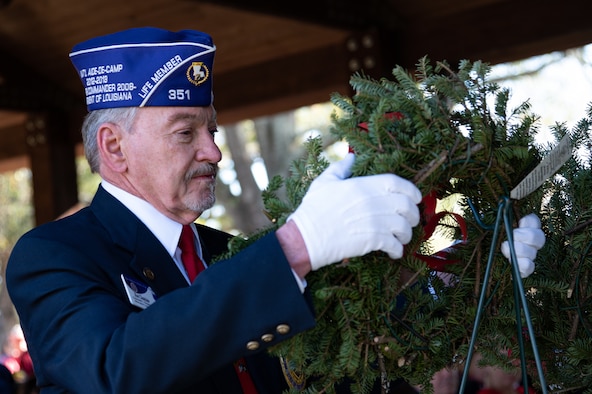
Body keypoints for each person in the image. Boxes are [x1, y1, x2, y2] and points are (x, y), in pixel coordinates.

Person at [5, 27, 544, 394]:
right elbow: (112, 372)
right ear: (114, 147)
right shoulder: (54, 254)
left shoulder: (225, 254)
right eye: (185, 132)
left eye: (211, 130)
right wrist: (295, 246)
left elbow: (349, 355)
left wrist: (464, 279)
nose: (213, 151)